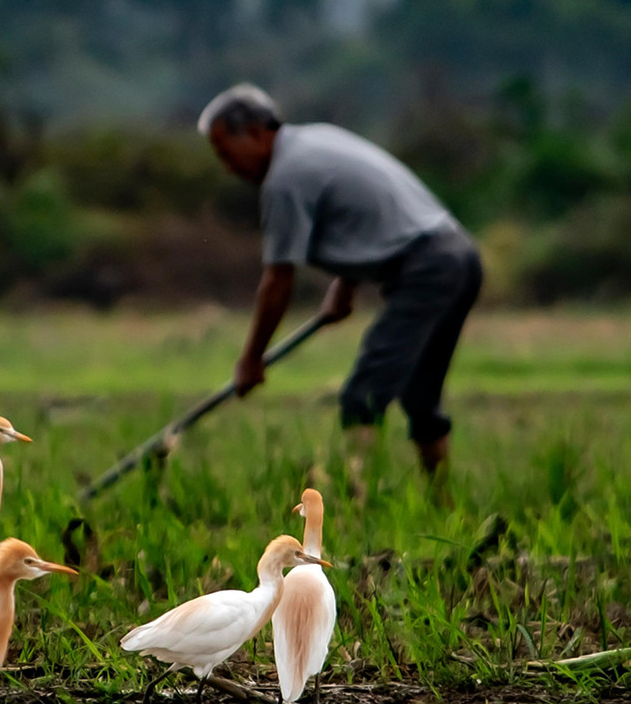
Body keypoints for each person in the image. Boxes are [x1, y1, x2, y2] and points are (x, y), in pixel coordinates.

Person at [198, 83, 482, 476]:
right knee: (420, 397)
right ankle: (443, 506)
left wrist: (251, 359)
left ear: (258, 133)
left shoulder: (284, 180)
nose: (227, 166)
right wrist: (345, 284)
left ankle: (356, 502)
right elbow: (364, 217)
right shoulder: (316, 140)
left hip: (427, 268)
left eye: (226, 152)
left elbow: (279, 278)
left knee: (362, 398)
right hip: (460, 256)